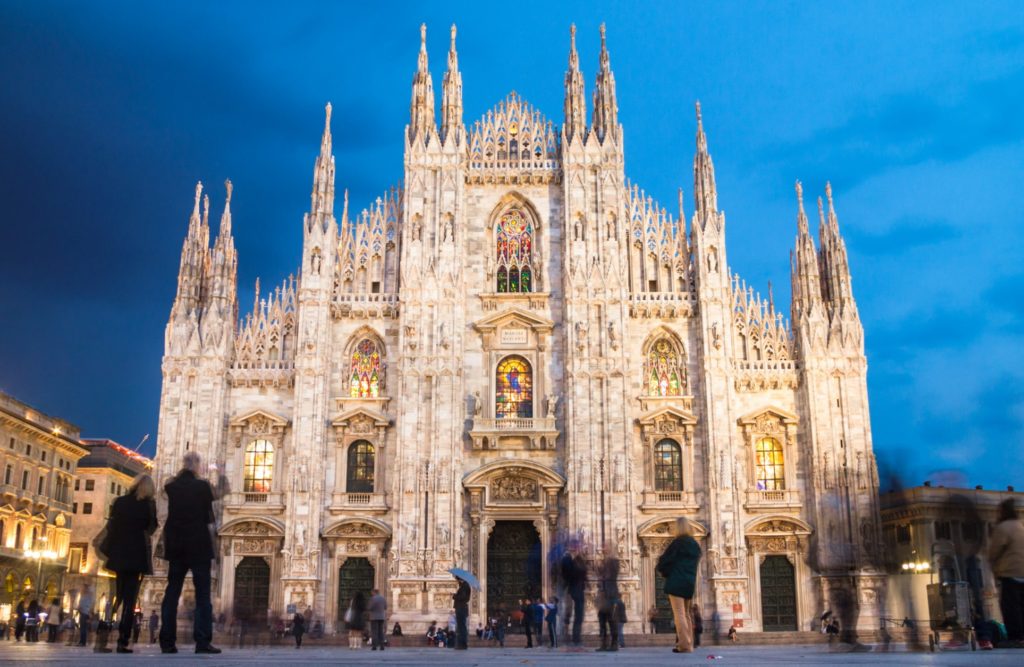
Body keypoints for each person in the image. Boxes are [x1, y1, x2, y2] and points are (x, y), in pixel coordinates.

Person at [159, 453, 225, 655]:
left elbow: (164, 492)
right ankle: (202, 641)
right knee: (203, 596)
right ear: (196, 466)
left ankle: (167, 642)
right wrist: (220, 474)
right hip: (198, 545)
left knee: (172, 593)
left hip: (176, 545)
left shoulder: (172, 487)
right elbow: (218, 494)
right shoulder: (202, 486)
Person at [101, 474, 158, 654]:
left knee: (117, 596)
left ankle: (104, 635)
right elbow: (152, 527)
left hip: (119, 553)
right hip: (136, 555)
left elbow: (111, 524)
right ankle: (122, 640)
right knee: (130, 600)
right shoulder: (148, 505)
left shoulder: (120, 502)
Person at [656, 517, 702, 654]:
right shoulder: (695, 545)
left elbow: (665, 561)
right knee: (687, 614)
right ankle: (690, 644)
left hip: (676, 582)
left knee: (679, 614)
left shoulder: (677, 543)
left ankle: (683, 645)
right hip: (689, 583)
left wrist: (665, 572)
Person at [989, 498, 1024, 647]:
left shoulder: (1003, 527)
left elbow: (994, 551)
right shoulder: (1021, 525)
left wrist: (993, 565)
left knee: (1010, 608)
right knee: (1022, 606)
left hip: (1010, 572)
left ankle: (1016, 637)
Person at [561, 546, 587, 649]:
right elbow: (569, 574)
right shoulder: (568, 560)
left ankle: (576, 638)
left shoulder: (577, 561)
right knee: (575, 614)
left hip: (577, 589)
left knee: (579, 615)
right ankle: (574, 638)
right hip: (573, 590)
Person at [595, 544, 621, 652]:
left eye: (606, 547)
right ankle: (604, 643)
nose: (603, 549)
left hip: (611, 594)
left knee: (612, 620)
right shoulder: (605, 562)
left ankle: (614, 644)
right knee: (602, 620)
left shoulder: (614, 561)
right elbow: (601, 576)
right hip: (603, 594)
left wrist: (603, 574)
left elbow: (611, 575)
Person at [453, 577, 470, 650]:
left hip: (461, 608)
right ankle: (461, 644)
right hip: (462, 608)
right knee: (461, 626)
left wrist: (455, 596)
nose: (457, 581)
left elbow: (462, 597)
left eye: (457, 580)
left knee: (461, 627)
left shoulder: (464, 586)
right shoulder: (465, 585)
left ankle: (462, 644)